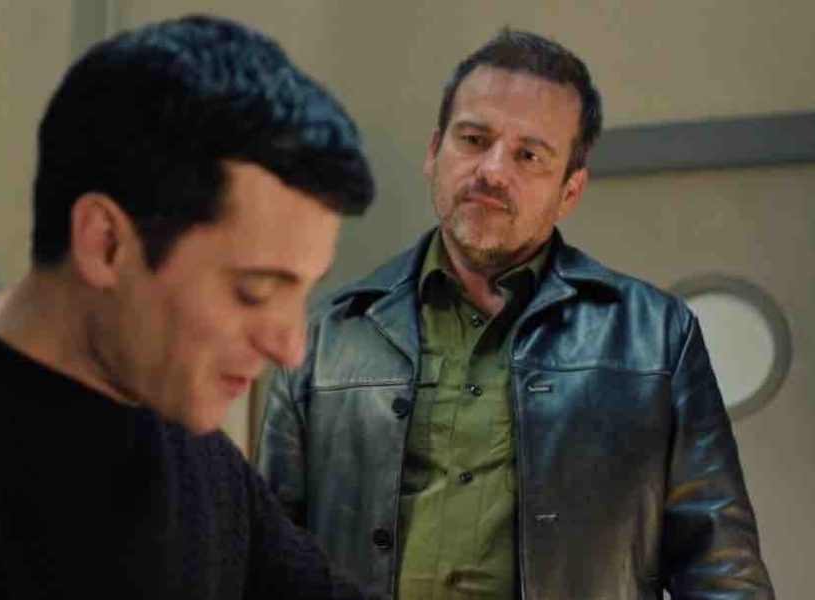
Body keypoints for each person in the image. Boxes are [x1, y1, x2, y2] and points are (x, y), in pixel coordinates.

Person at [0, 15, 376, 599]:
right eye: (254, 291)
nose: (290, 347)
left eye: (303, 292)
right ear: (105, 243)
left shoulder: (197, 451)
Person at [257, 28, 774, 600]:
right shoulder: (329, 335)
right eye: (473, 139)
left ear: (569, 190)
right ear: (434, 152)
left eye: (529, 155)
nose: (493, 171)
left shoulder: (656, 337)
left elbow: (722, 573)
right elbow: (264, 557)